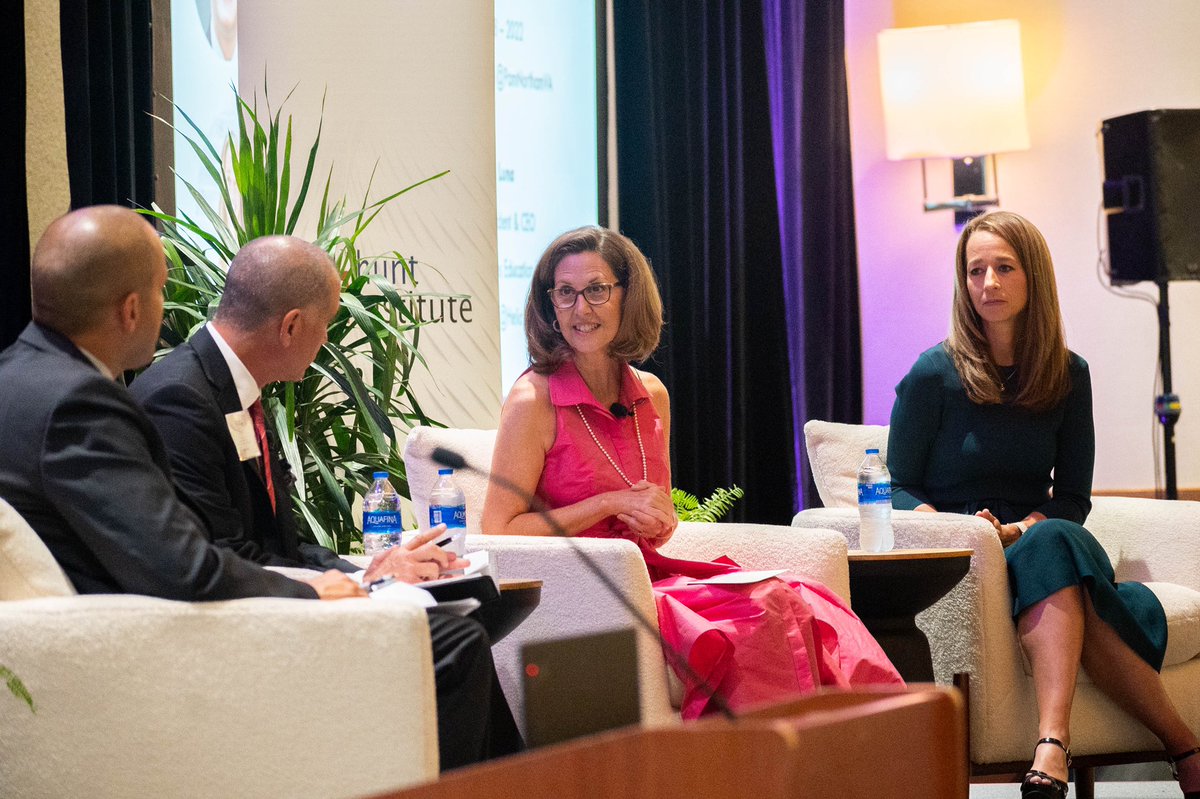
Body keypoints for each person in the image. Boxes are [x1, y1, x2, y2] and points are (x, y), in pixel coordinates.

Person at [0, 207, 516, 770]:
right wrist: (320, 591)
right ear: (131, 309)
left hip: (116, 633)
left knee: (460, 619)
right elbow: (187, 568)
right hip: (143, 656)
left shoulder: (17, 379)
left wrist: (361, 574)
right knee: (451, 642)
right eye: (158, 289)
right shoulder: (86, 403)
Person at [481, 225, 903, 719]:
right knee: (764, 607)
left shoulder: (651, 395)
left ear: (626, 295)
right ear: (549, 304)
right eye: (566, 293)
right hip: (586, 587)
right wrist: (609, 504)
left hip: (648, 574)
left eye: (596, 290)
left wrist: (659, 521)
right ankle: (766, 766)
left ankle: (870, 753)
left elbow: (659, 520)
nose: (581, 309)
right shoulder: (534, 400)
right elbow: (498, 529)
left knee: (805, 599)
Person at [887, 210, 1200, 799]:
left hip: (1044, 542)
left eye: (1004, 268)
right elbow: (897, 484)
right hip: (969, 556)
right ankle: (1184, 749)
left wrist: (1025, 526)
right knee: (1074, 572)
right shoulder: (933, 374)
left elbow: (1074, 498)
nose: (989, 284)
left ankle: (1052, 743)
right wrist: (960, 531)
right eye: (975, 270)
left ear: (1034, 277)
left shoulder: (1068, 374)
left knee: (1052, 540)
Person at [130, 235, 452, 587]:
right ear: (291, 327)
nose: (327, 338)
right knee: (450, 627)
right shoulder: (179, 400)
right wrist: (364, 584)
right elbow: (223, 555)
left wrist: (366, 572)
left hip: (268, 597)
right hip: (235, 618)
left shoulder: (234, 388)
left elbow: (281, 545)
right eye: (326, 321)